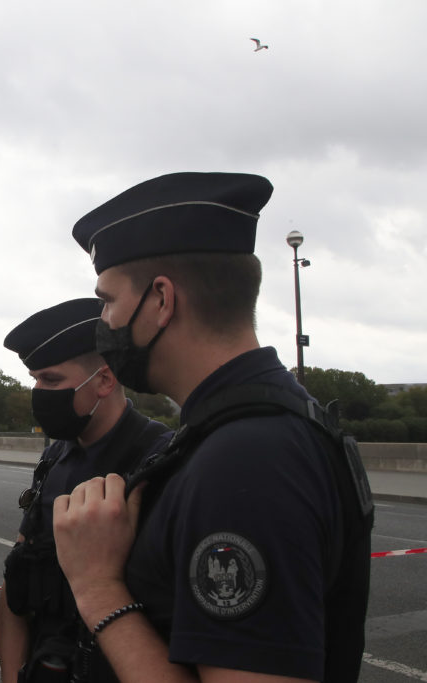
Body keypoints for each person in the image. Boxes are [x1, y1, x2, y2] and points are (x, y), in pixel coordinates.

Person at [53, 172, 373, 682]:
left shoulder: (247, 458)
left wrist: (96, 587)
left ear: (161, 300)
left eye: (109, 301)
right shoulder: (245, 427)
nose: (104, 323)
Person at [0, 298, 171, 682]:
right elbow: (17, 586)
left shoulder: (159, 463)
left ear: (105, 381)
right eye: (36, 380)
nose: (39, 392)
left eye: (52, 380)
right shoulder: (55, 458)